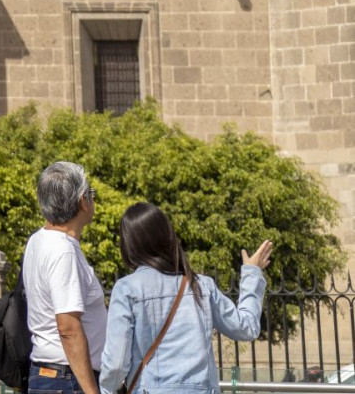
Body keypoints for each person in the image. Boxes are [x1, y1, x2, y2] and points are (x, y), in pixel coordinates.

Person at [100, 202, 273, 394]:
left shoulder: (127, 289)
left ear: (129, 244)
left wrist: (107, 390)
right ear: (167, 237)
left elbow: (116, 363)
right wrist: (251, 273)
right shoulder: (201, 285)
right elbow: (246, 327)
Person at [23, 161, 107, 394]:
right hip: (67, 379)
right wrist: (92, 391)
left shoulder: (38, 240)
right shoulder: (63, 251)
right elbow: (68, 328)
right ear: (83, 201)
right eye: (91, 193)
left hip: (53, 376)